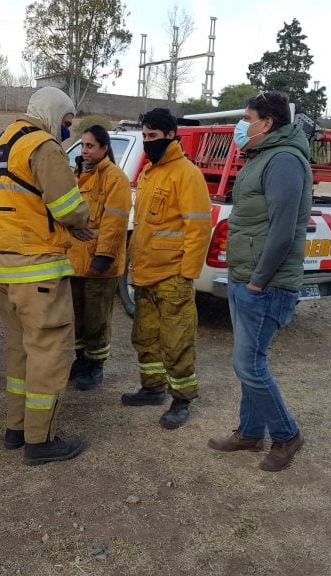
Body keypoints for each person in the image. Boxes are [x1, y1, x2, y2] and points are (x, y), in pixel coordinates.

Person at [0, 87, 92, 465]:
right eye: (66, 123)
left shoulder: (1, 143)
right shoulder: (43, 146)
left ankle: (16, 429)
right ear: (53, 113)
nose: (66, 131)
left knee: (19, 353)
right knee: (48, 352)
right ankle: (41, 440)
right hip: (38, 270)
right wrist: (83, 220)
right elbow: (67, 207)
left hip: (4, 267)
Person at [206, 92, 311, 472]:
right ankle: (249, 433)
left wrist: (257, 281)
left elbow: (283, 231)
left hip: (264, 285)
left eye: (247, 117)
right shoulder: (263, 156)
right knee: (249, 361)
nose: (241, 125)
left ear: (267, 123)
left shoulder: (283, 160)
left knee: (249, 365)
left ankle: (287, 435)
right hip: (244, 277)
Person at [121, 108, 211, 429]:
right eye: (144, 137)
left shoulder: (187, 174)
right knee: (145, 337)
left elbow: (199, 227)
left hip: (173, 277)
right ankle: (152, 389)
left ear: (171, 135)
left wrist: (187, 273)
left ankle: (182, 399)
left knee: (177, 341)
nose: (147, 142)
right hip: (145, 274)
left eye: (153, 137)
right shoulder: (149, 173)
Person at [67, 125, 131, 390]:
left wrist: (103, 256)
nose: (85, 151)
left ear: (105, 149)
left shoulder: (115, 178)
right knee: (77, 318)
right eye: (82, 145)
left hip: (98, 265)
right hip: (74, 263)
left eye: (90, 146)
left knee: (97, 320)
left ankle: (95, 366)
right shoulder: (77, 175)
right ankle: (81, 360)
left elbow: (114, 222)